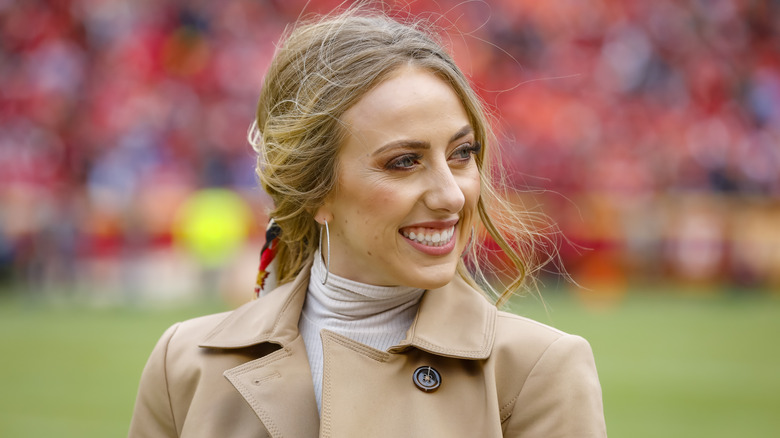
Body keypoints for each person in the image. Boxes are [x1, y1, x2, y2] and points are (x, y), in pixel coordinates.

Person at [129, 8, 606, 438]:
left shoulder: (539, 370)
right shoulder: (185, 363)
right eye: (403, 162)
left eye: (462, 153)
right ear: (314, 190)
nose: (450, 194)